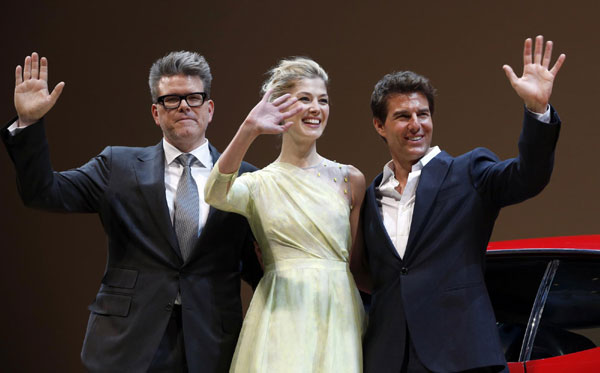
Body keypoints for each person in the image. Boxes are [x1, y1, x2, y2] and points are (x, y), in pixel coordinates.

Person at [1, 51, 263, 372]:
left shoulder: (246, 178)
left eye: (194, 98)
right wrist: (29, 123)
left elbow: (259, 268)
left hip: (212, 340)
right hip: (131, 341)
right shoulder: (117, 165)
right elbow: (43, 193)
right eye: (171, 100)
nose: (183, 106)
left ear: (209, 109)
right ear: (156, 112)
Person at [351, 35, 565, 372]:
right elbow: (372, 275)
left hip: (461, 356)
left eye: (423, 114)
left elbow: (529, 176)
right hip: (390, 359)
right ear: (380, 125)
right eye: (403, 116)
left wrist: (537, 110)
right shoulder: (370, 195)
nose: (416, 124)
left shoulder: (468, 172)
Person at [204, 57, 367, 372]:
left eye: (323, 100)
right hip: (281, 316)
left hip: (338, 315)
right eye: (304, 99)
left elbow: (356, 265)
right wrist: (249, 129)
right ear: (280, 106)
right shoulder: (258, 184)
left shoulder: (350, 179)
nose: (316, 108)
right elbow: (215, 193)